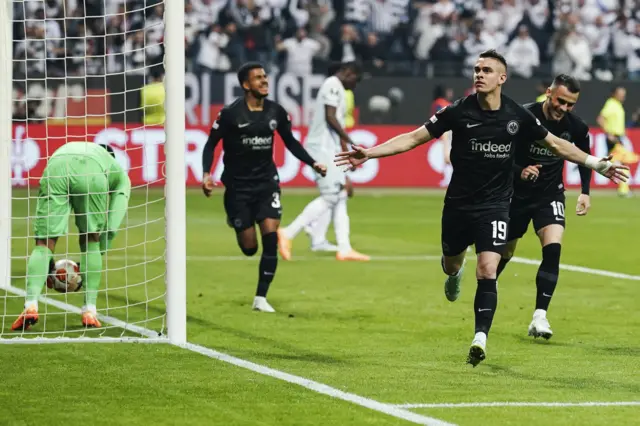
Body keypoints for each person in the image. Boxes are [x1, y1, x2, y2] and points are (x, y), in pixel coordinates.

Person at [335, 50, 629, 367]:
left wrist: (595, 163)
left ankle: (480, 338)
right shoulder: (458, 112)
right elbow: (413, 138)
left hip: (497, 205)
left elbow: (557, 144)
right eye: (476, 69)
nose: (479, 74)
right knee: (452, 263)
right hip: (459, 204)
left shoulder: (517, 115)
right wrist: (370, 153)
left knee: (488, 269)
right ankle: (454, 271)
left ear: (501, 78)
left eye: (486, 69)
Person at [201, 62, 327, 313]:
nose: (264, 81)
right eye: (258, 78)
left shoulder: (276, 112)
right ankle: (236, 220)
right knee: (249, 248)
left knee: (270, 236)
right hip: (237, 187)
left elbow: (290, 142)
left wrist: (312, 163)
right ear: (246, 85)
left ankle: (261, 297)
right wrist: (206, 173)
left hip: (267, 183)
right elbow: (210, 144)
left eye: (265, 76)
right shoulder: (230, 114)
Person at [496, 74, 592, 340]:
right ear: (549, 92)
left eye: (570, 104)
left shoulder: (576, 127)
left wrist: (585, 191)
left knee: (553, 249)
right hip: (515, 195)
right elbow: (499, 154)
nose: (564, 108)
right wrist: (519, 171)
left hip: (549, 195)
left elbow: (584, 157)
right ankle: (486, 290)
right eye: (560, 100)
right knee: (504, 252)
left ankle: (540, 315)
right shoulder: (523, 116)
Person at [12, 143, 131, 331]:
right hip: (92, 173)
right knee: (91, 239)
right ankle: (89, 310)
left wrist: (47, 264)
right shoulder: (117, 172)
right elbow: (113, 223)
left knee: (44, 242)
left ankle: (31, 305)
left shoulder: (78, 147)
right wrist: (98, 252)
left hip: (56, 166)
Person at [277, 62, 369, 262]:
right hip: (322, 148)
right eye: (356, 80)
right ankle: (288, 233)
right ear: (349, 73)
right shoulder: (333, 84)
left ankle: (344, 248)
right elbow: (330, 118)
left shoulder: (337, 89)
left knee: (342, 193)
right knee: (331, 196)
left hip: (332, 149)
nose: (355, 85)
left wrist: (347, 155)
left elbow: (337, 123)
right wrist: (352, 142)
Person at [597, 86, 639, 197]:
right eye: (621, 93)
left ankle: (624, 189)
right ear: (614, 94)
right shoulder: (611, 104)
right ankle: (623, 190)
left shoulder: (618, 105)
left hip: (619, 137)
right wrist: (609, 133)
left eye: (624, 93)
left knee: (621, 163)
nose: (623, 96)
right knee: (624, 162)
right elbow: (600, 119)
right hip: (614, 138)